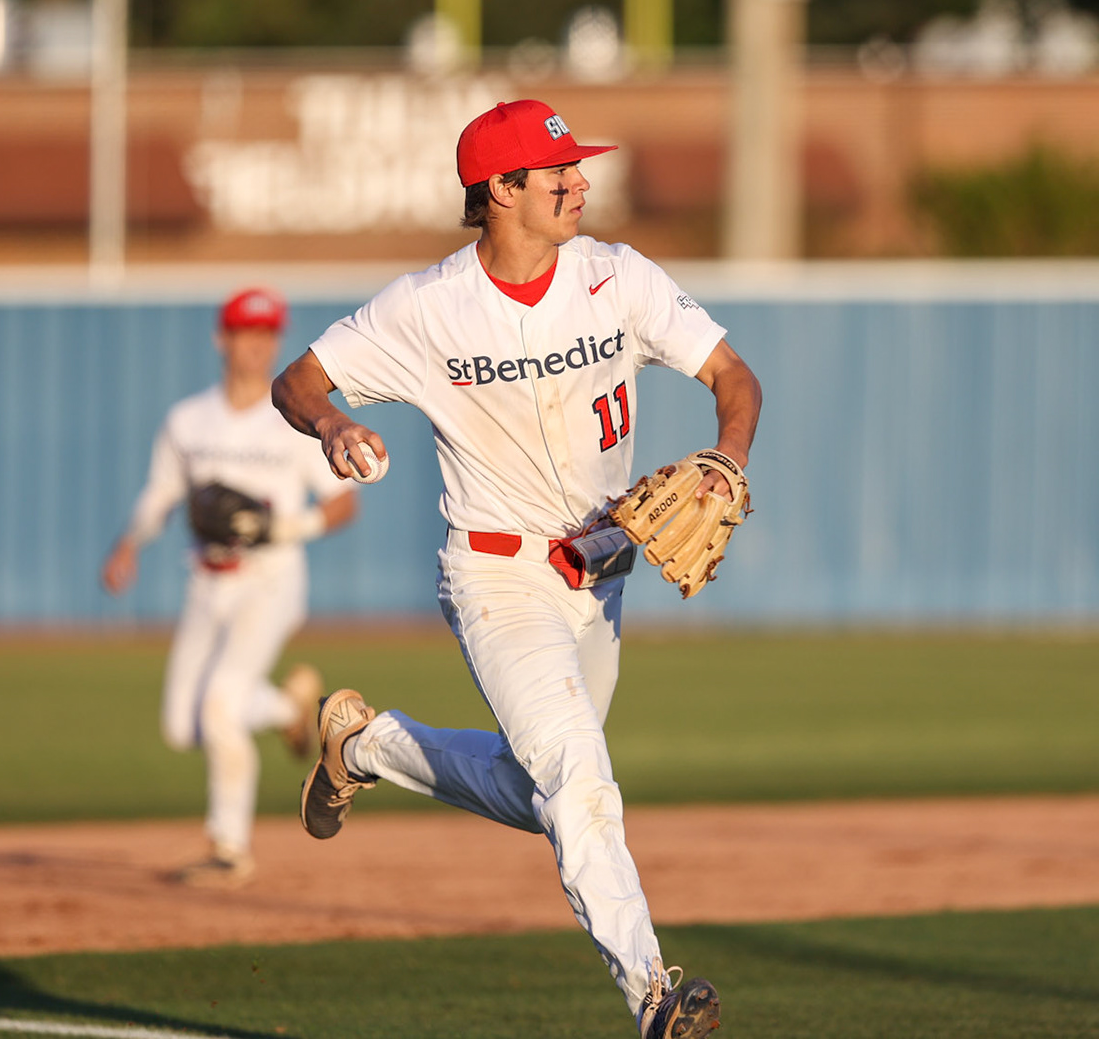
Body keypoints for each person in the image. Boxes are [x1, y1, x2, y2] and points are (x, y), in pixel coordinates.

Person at [272, 100, 761, 1039]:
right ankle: (654, 992)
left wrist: (728, 459)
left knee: (547, 796)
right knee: (579, 779)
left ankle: (367, 746)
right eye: (557, 172)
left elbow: (735, 379)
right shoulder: (427, 306)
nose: (580, 181)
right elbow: (297, 383)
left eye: (576, 168)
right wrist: (332, 424)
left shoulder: (617, 277)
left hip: (602, 573)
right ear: (500, 190)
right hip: (496, 578)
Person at [103, 287, 359, 888]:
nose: (256, 344)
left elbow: (343, 505)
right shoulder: (189, 420)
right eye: (245, 331)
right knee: (182, 725)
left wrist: (282, 525)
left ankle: (228, 848)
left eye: (267, 333)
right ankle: (287, 709)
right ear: (222, 339)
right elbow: (162, 492)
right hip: (207, 582)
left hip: (269, 580)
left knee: (220, 705)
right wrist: (128, 544)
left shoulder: (291, 421)